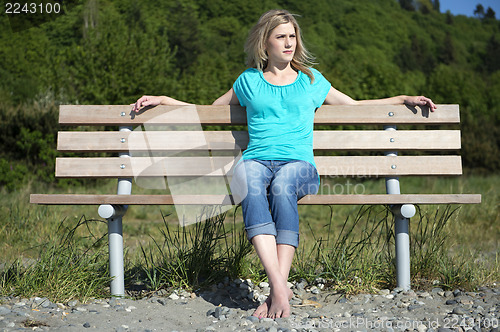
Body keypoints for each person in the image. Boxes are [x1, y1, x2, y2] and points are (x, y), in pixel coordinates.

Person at [131, 9, 437, 319]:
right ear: (266, 42)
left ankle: (277, 289)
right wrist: (166, 100)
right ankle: (279, 287)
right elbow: (208, 112)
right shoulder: (248, 81)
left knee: (281, 185)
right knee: (249, 178)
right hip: (256, 161)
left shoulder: (311, 80)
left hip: (299, 166)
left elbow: (355, 106)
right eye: (281, 37)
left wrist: (401, 98)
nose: (289, 43)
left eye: (293, 36)